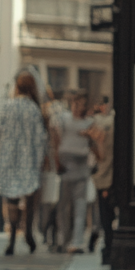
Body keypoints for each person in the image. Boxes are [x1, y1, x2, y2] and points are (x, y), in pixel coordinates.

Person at [0, 71, 50, 255]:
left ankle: (12, 236)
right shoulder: (34, 109)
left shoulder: (6, 107)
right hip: (28, 160)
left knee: (12, 201)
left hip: (8, 159)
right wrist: (40, 159)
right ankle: (28, 232)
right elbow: (40, 139)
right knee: (29, 199)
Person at [53, 90, 95, 254]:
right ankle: (64, 239)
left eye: (82, 104)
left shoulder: (89, 123)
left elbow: (94, 143)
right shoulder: (64, 119)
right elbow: (55, 136)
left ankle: (76, 242)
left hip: (82, 167)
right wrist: (56, 160)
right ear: (72, 104)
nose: (79, 108)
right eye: (76, 104)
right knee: (63, 206)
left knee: (80, 206)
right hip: (65, 167)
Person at [87, 98, 115, 264]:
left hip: (106, 177)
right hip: (105, 176)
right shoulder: (104, 123)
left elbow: (101, 155)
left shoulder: (102, 126)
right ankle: (108, 246)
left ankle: (108, 247)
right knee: (105, 215)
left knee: (105, 215)